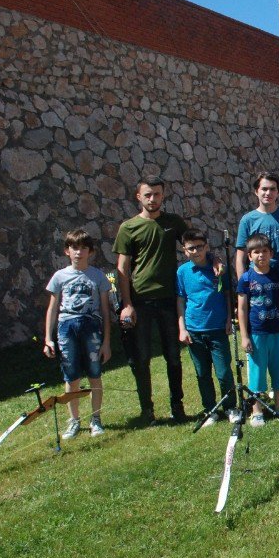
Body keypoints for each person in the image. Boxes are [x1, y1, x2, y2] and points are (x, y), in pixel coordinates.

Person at [114, 177, 188, 424]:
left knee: (173, 356)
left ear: (163, 195)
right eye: (147, 195)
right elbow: (122, 269)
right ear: (139, 197)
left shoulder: (173, 223)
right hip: (140, 301)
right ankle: (147, 409)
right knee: (142, 358)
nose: (152, 199)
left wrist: (214, 261)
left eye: (157, 194)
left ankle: (177, 406)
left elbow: (194, 245)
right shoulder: (128, 228)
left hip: (168, 299)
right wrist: (126, 304)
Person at [235, 172, 279, 398]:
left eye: (272, 189)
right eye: (264, 189)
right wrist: (241, 286)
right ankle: (260, 389)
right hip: (256, 286)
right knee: (258, 336)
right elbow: (239, 256)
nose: (268, 193)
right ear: (256, 191)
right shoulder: (248, 220)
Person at [43, 229, 112, 438]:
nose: (78, 252)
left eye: (83, 248)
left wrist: (106, 342)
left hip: (91, 328)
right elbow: (52, 309)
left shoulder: (97, 276)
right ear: (67, 251)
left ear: (90, 252)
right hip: (66, 328)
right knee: (71, 377)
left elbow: (105, 311)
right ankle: (74, 420)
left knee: (94, 374)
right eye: (74, 248)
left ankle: (96, 419)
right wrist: (48, 338)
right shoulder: (59, 277)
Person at [176, 229, 235, 427]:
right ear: (185, 250)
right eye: (191, 248)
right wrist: (182, 328)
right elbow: (181, 300)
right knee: (202, 373)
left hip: (217, 328)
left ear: (207, 247)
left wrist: (229, 318)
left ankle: (230, 407)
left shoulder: (218, 268)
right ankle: (210, 409)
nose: (196, 251)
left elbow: (227, 294)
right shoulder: (183, 272)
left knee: (224, 371)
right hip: (194, 329)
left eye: (199, 247)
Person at [237, 233, 279, 426]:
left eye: (265, 251)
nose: (261, 255)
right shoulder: (246, 278)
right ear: (249, 256)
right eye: (256, 252)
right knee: (257, 373)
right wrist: (244, 336)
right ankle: (257, 410)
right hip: (257, 334)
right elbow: (242, 309)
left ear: (271, 253)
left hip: (277, 333)